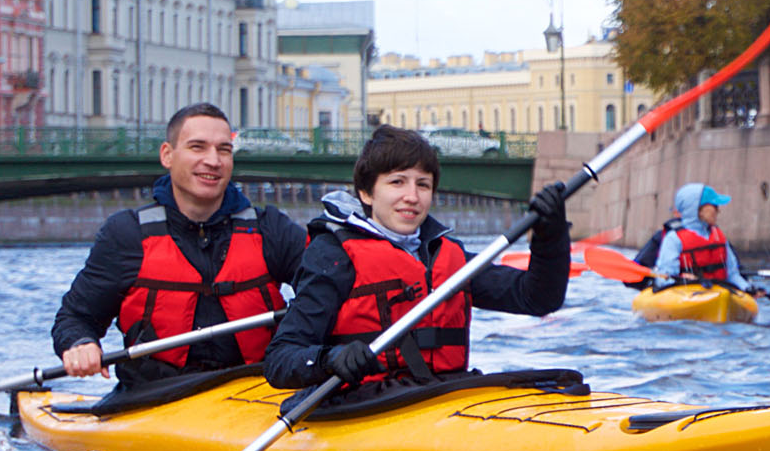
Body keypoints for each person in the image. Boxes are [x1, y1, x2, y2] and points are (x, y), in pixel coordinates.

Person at [263, 125, 571, 393]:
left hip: (442, 395)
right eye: (397, 182)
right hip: (364, 402)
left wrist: (550, 235)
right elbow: (280, 359)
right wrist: (329, 359)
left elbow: (539, 298)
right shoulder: (334, 256)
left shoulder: (446, 254)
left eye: (422, 184)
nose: (412, 196)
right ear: (367, 194)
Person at [52, 103, 306, 388]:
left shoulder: (271, 229)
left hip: (257, 391)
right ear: (167, 155)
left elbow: (328, 290)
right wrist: (81, 343)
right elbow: (75, 318)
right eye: (197, 147)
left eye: (223, 150)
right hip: (155, 395)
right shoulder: (126, 235)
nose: (213, 160)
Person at [652, 182, 761, 295]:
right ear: (698, 209)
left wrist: (747, 288)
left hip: (718, 292)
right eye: (714, 206)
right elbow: (664, 279)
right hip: (686, 293)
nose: (718, 211)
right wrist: (681, 280)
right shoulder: (673, 239)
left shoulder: (719, 236)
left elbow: (732, 274)